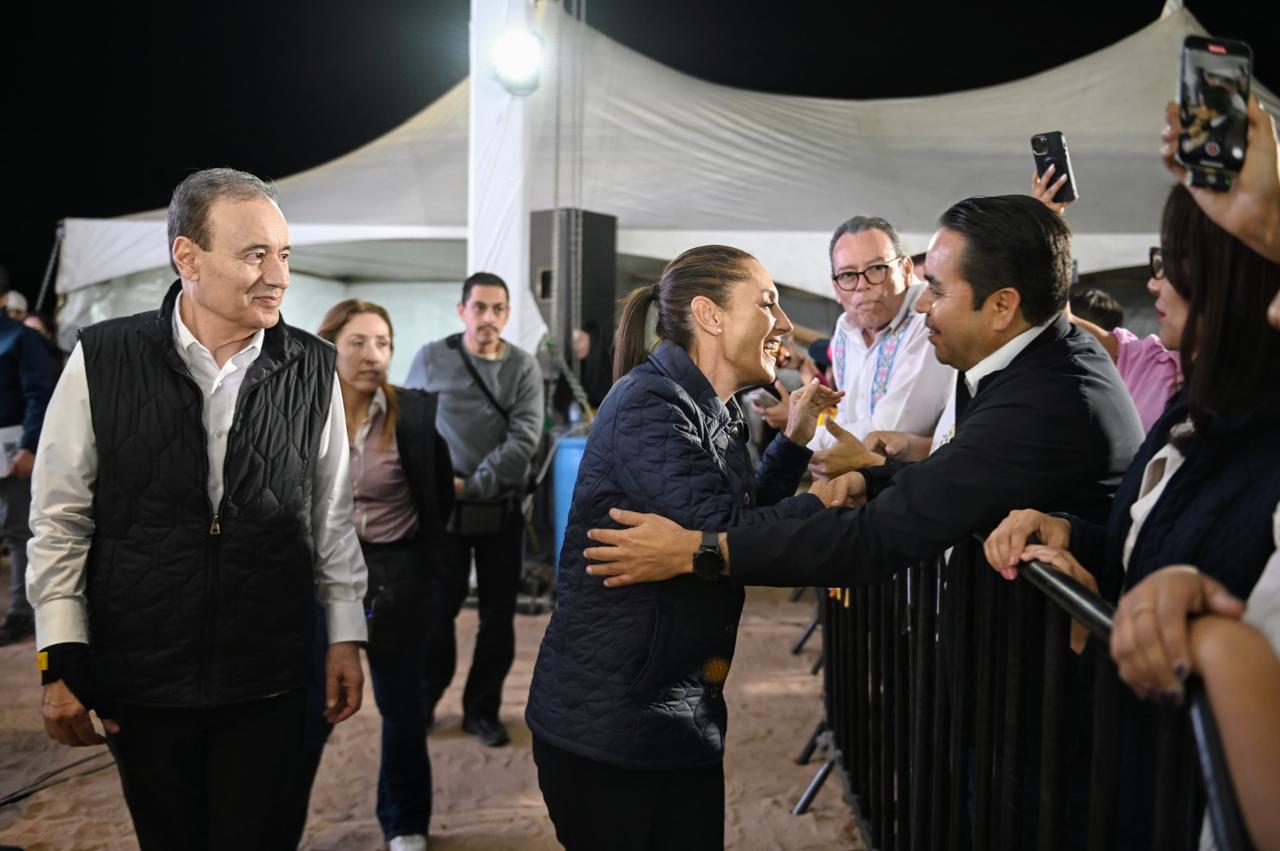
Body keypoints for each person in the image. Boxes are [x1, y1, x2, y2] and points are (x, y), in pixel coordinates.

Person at [25, 168, 368, 851]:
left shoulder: (313, 367)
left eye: (284, 254)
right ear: (189, 257)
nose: (278, 275)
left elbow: (330, 516)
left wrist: (344, 631)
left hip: (271, 676)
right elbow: (60, 516)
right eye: (254, 254)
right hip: (142, 678)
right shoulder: (104, 357)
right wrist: (60, 655)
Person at [582, 196, 1142, 597]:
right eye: (767, 303)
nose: (922, 307)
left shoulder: (1045, 397)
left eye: (937, 291)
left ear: (1001, 306)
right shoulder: (655, 403)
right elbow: (946, 477)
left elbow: (881, 531)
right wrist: (867, 478)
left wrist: (701, 552)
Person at [984, 182, 1280, 850]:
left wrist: (1210, 643)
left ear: (1231, 278)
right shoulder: (1196, 408)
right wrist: (1072, 536)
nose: (1157, 281)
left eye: (1173, 260)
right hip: (1137, 774)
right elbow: (1148, 546)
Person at [525, 245, 848, 850]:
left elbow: (733, 522)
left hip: (673, 712)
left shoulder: (713, 409)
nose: (783, 325)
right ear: (710, 314)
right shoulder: (651, 404)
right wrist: (827, 503)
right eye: (769, 303)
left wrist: (796, 442)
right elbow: (730, 536)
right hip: (612, 728)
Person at [284, 299, 452, 851]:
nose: (373, 355)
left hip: (395, 577)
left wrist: (426, 575)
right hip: (318, 582)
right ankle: (276, 828)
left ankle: (405, 823)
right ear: (328, 346)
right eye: (358, 342)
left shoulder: (417, 416)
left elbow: (437, 500)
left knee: (403, 708)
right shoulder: (298, 416)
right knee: (313, 712)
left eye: (383, 343)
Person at [404, 272, 544, 747]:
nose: (488, 318)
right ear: (462, 310)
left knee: (497, 616)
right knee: (436, 613)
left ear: (506, 315)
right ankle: (424, 702)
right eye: (479, 307)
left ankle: (482, 711)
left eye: (498, 309)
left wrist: (474, 485)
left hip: (499, 511)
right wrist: (438, 485)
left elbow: (524, 438)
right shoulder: (430, 358)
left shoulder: (523, 368)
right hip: (442, 514)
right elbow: (411, 424)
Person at [801, 216, 953, 480]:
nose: (862, 285)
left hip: (916, 485)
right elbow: (846, 415)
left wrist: (805, 433)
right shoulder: (845, 328)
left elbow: (888, 432)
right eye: (848, 275)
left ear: (906, 269)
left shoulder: (926, 320)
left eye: (876, 269)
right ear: (836, 287)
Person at [0, 309, 52, 645]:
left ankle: (22, 612)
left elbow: (40, 393)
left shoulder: (22, 338)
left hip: (12, 446)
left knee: (18, 530)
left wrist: (30, 445)